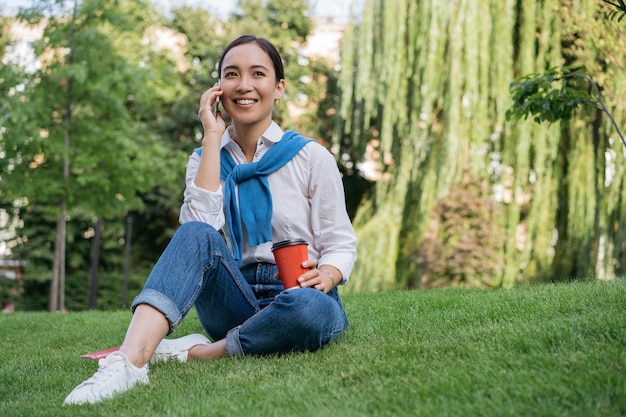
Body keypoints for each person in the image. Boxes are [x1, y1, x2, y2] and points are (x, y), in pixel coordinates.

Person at [63, 35, 357, 405]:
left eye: (258, 74)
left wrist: (327, 275)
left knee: (309, 311)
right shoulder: (206, 157)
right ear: (219, 87)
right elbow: (196, 229)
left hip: (300, 292)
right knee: (198, 233)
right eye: (232, 74)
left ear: (278, 87)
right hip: (235, 295)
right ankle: (129, 362)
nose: (244, 85)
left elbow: (341, 243)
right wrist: (213, 137)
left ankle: (200, 352)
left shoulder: (311, 157)